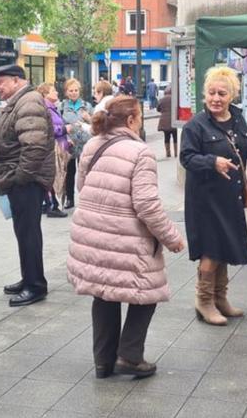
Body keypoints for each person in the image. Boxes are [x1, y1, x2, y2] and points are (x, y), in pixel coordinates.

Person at [68, 96, 185, 379]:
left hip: (92, 234)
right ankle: (130, 356)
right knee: (146, 292)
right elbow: (146, 204)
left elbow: (83, 186)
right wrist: (172, 237)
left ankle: (103, 362)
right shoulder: (140, 152)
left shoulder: (93, 145)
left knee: (104, 293)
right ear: (131, 120)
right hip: (127, 237)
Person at [181, 66, 247, 326]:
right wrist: (212, 162)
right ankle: (204, 301)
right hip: (205, 199)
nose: (216, 98)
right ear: (204, 95)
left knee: (225, 245)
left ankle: (220, 298)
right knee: (211, 248)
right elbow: (186, 157)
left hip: (230, 197)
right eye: (211, 93)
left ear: (232, 95)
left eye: (222, 93)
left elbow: (246, 147)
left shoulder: (238, 119)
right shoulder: (195, 125)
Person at [0, 64, 55, 307]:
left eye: (1, 81)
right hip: (21, 180)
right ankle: (29, 277)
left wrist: (20, 177)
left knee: (28, 233)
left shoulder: (28, 101)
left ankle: (35, 285)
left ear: (17, 80)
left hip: (27, 181)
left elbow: (34, 146)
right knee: (24, 231)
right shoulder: (21, 101)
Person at [36, 81, 69, 218]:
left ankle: (48, 203)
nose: (56, 92)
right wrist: (65, 129)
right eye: (53, 90)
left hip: (59, 145)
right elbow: (50, 129)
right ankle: (52, 205)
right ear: (45, 94)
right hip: (53, 147)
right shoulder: (47, 109)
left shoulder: (52, 108)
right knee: (55, 177)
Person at [60, 78, 93, 209]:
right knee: (69, 172)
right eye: (71, 90)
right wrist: (66, 137)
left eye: (76, 90)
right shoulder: (62, 106)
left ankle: (86, 199)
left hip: (85, 143)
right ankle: (69, 198)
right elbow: (58, 125)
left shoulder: (87, 106)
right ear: (66, 92)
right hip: (70, 144)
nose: (73, 93)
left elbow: (96, 124)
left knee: (85, 172)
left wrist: (88, 118)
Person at [156, 89, 177, 158]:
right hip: (173, 119)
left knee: (166, 137)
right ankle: (176, 152)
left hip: (164, 121)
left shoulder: (161, 100)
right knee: (175, 137)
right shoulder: (174, 99)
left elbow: (158, 109)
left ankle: (168, 153)